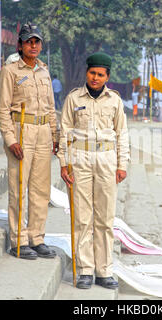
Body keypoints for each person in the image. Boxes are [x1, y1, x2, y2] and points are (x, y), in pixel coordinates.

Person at [58, 52, 130, 290]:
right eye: (92, 73)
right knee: (82, 217)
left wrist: (122, 164)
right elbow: (65, 131)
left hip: (107, 160)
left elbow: (122, 134)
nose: (95, 78)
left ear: (107, 76)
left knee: (105, 218)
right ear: (86, 73)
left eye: (100, 74)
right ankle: (86, 270)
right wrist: (64, 162)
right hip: (80, 159)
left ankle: (104, 270)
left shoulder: (115, 101)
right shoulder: (73, 98)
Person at [0, 22, 59, 260]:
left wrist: (55, 134)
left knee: (41, 190)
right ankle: (19, 240)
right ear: (20, 44)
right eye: (28, 41)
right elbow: (2, 109)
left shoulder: (44, 71)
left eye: (37, 41)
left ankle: (37, 237)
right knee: (19, 187)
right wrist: (10, 139)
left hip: (43, 131)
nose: (33, 45)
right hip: (20, 130)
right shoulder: (10, 71)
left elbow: (52, 108)